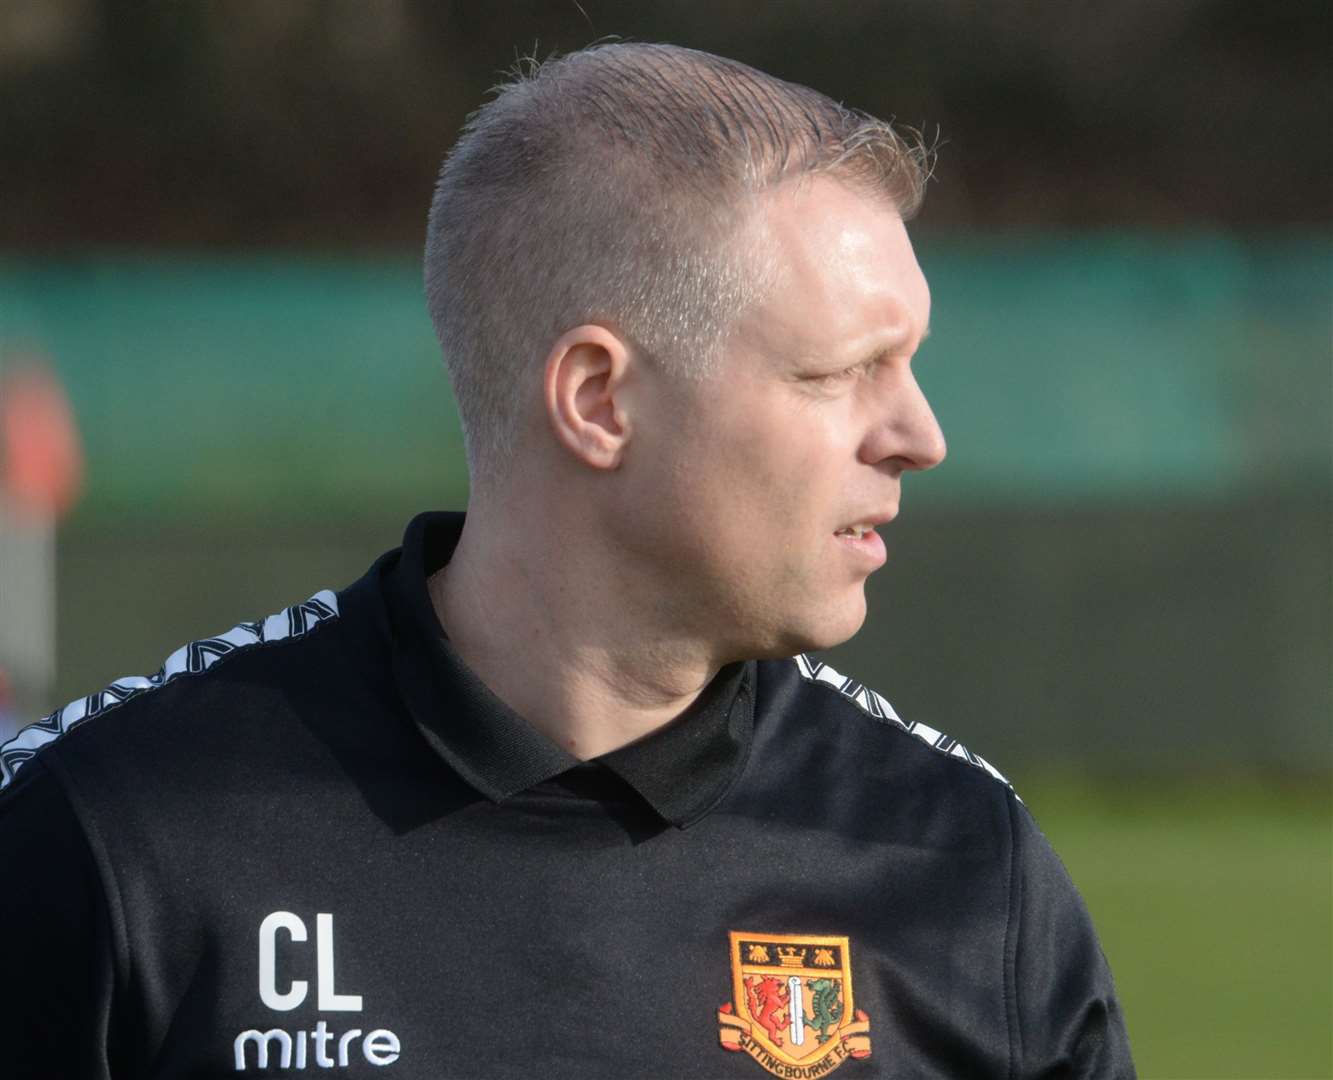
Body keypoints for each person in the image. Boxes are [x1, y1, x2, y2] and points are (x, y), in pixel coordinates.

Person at [0, 42, 1134, 1079]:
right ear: (599, 400)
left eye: (910, 365)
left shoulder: (960, 867)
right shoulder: (104, 836)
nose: (918, 436)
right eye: (839, 371)